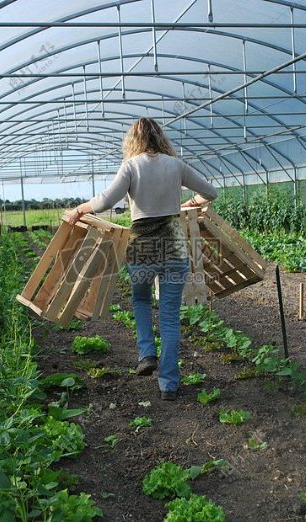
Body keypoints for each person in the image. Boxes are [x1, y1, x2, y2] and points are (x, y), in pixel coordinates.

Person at [67, 118, 217, 400]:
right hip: (174, 247)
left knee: (141, 300)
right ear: (160, 137)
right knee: (170, 316)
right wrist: (187, 204)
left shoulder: (131, 166)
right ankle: (169, 385)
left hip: (142, 250)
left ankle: (147, 353)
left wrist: (79, 209)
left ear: (133, 140)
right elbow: (211, 192)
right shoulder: (176, 165)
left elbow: (104, 203)